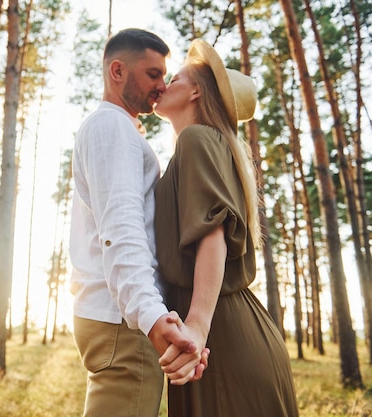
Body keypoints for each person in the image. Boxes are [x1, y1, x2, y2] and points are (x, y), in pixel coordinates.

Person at [153, 38, 299, 416]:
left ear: (196, 91)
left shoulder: (197, 139)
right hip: (234, 328)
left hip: (218, 336)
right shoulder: (211, 145)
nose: (163, 83)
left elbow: (213, 235)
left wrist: (198, 326)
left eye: (175, 78)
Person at [69, 29, 206, 417]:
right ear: (117, 71)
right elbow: (121, 231)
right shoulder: (112, 129)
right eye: (152, 74)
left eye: (164, 76)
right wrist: (151, 316)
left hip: (117, 315)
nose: (161, 86)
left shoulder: (118, 129)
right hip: (124, 321)